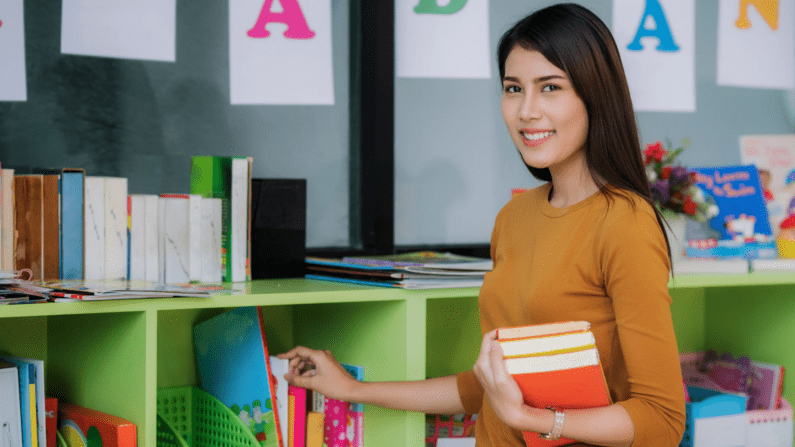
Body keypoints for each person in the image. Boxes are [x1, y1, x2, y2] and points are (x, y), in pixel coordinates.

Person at [277, 3, 686, 446]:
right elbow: (484, 391)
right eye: (513, 88)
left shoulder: (625, 222)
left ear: (595, 95)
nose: (526, 110)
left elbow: (661, 421)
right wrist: (352, 390)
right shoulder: (514, 218)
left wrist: (536, 418)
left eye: (550, 87)